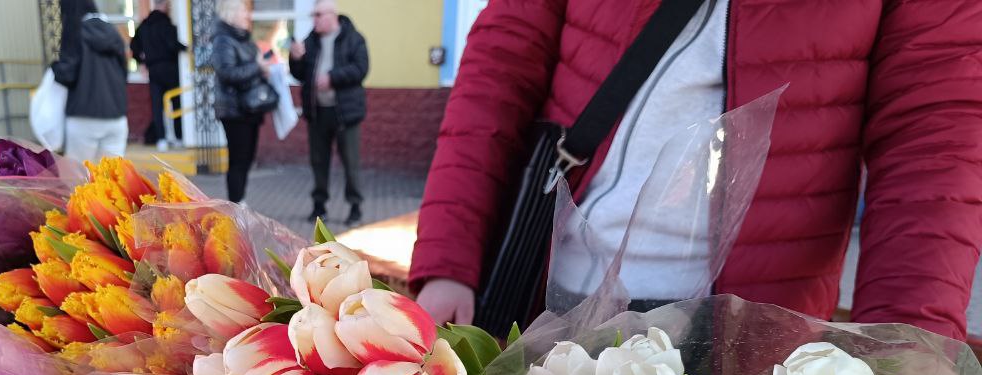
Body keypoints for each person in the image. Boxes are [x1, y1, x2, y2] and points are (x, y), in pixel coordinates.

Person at [411, 0, 982, 341]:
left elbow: (934, 139)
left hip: (753, 332)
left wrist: (906, 344)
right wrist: (449, 262)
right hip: (549, 299)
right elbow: (501, 64)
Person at [289, 2, 369, 227]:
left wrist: (332, 78)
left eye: (318, 14)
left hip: (345, 113)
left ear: (331, 15)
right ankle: (319, 207)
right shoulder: (310, 40)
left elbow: (361, 68)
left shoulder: (354, 38)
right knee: (318, 161)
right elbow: (299, 74)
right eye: (313, 14)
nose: (314, 19)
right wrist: (295, 58)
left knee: (350, 162)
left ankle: (355, 208)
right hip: (317, 112)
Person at [53, 0, 130, 163]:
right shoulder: (114, 33)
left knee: (79, 179)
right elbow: (124, 73)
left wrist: (54, 68)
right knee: (111, 180)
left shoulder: (74, 33)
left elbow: (67, 75)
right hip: (116, 117)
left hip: (83, 117)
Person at [212, 0, 269, 205]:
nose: (248, 16)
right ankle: (236, 204)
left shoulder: (245, 40)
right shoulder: (223, 41)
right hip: (234, 110)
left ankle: (240, 201)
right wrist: (258, 67)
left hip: (251, 108)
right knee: (238, 160)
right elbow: (227, 73)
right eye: (244, 12)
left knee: (246, 160)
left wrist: (265, 69)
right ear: (231, 14)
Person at [131, 0, 187, 149]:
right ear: (164, 6)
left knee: (157, 106)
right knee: (176, 103)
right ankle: (179, 137)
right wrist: (187, 48)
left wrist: (141, 62)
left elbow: (134, 46)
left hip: (154, 70)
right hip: (170, 69)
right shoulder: (167, 25)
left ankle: (161, 139)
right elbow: (172, 44)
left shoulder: (144, 26)